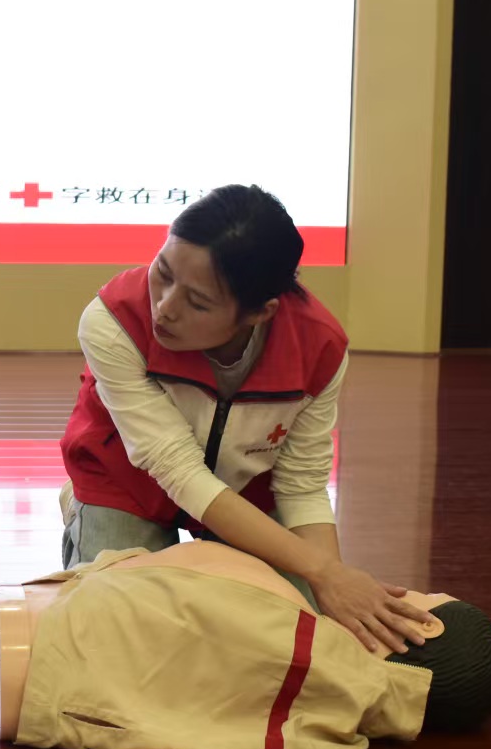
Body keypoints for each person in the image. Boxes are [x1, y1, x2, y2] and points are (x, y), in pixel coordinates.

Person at [58, 184, 430, 655]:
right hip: (127, 483)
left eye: (198, 302)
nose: (164, 307)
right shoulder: (113, 322)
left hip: (247, 495)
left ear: (259, 312)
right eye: (163, 272)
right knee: (122, 629)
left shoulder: (319, 347)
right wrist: (322, 571)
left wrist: (332, 586)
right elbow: (179, 471)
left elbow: (301, 486)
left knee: (297, 631)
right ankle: (87, 512)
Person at [0, 540, 491, 749]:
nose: (409, 588)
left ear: (423, 626)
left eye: (423, 595)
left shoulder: (283, 611)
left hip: (38, 634)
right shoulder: (331, 726)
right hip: (40, 698)